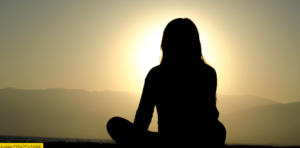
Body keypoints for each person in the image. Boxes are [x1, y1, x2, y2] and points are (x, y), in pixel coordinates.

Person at [106, 18, 226, 148]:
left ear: (166, 43)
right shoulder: (207, 72)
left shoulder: (157, 74)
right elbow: (210, 116)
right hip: (197, 140)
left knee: (114, 124)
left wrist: (139, 138)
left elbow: (143, 118)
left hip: (171, 140)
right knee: (218, 130)